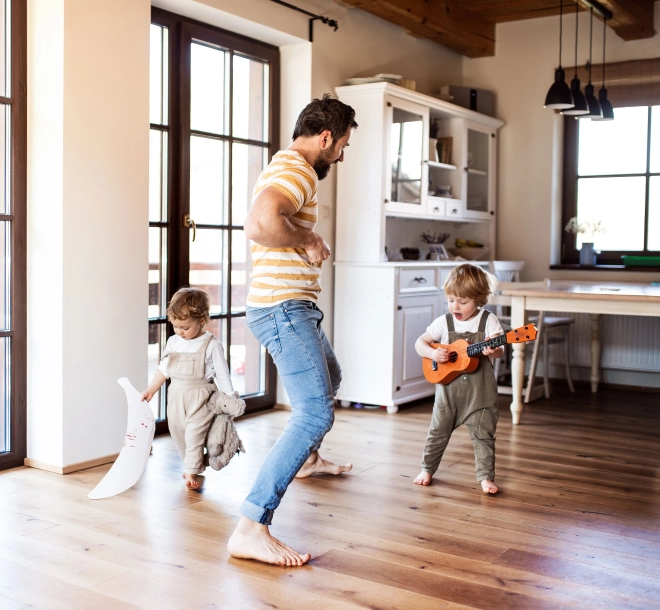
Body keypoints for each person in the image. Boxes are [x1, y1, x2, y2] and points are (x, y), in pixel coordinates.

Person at [227, 94, 358, 567]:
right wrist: (309, 238)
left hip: (290, 306)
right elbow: (261, 222)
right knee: (315, 412)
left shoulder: (287, 166)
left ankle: (306, 460)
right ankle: (251, 526)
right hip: (282, 309)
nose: (341, 156)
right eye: (341, 145)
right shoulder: (298, 169)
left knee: (331, 374)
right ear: (326, 137)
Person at [413, 264, 504, 494]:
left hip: (480, 395)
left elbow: (500, 348)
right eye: (451, 300)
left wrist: (492, 350)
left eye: (463, 302)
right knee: (437, 432)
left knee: (484, 436)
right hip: (448, 396)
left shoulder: (488, 320)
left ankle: (485, 477)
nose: (455, 306)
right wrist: (433, 353)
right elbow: (420, 343)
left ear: (478, 299)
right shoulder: (444, 322)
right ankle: (427, 468)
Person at [141, 287, 240, 490]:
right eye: (175, 326)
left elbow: (222, 374)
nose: (179, 331)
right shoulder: (173, 341)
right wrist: (152, 389)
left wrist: (230, 399)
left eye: (185, 327)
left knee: (194, 434)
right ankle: (195, 462)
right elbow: (164, 368)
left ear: (201, 321)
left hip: (201, 396)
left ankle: (191, 471)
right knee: (178, 430)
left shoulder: (211, 345)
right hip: (176, 395)